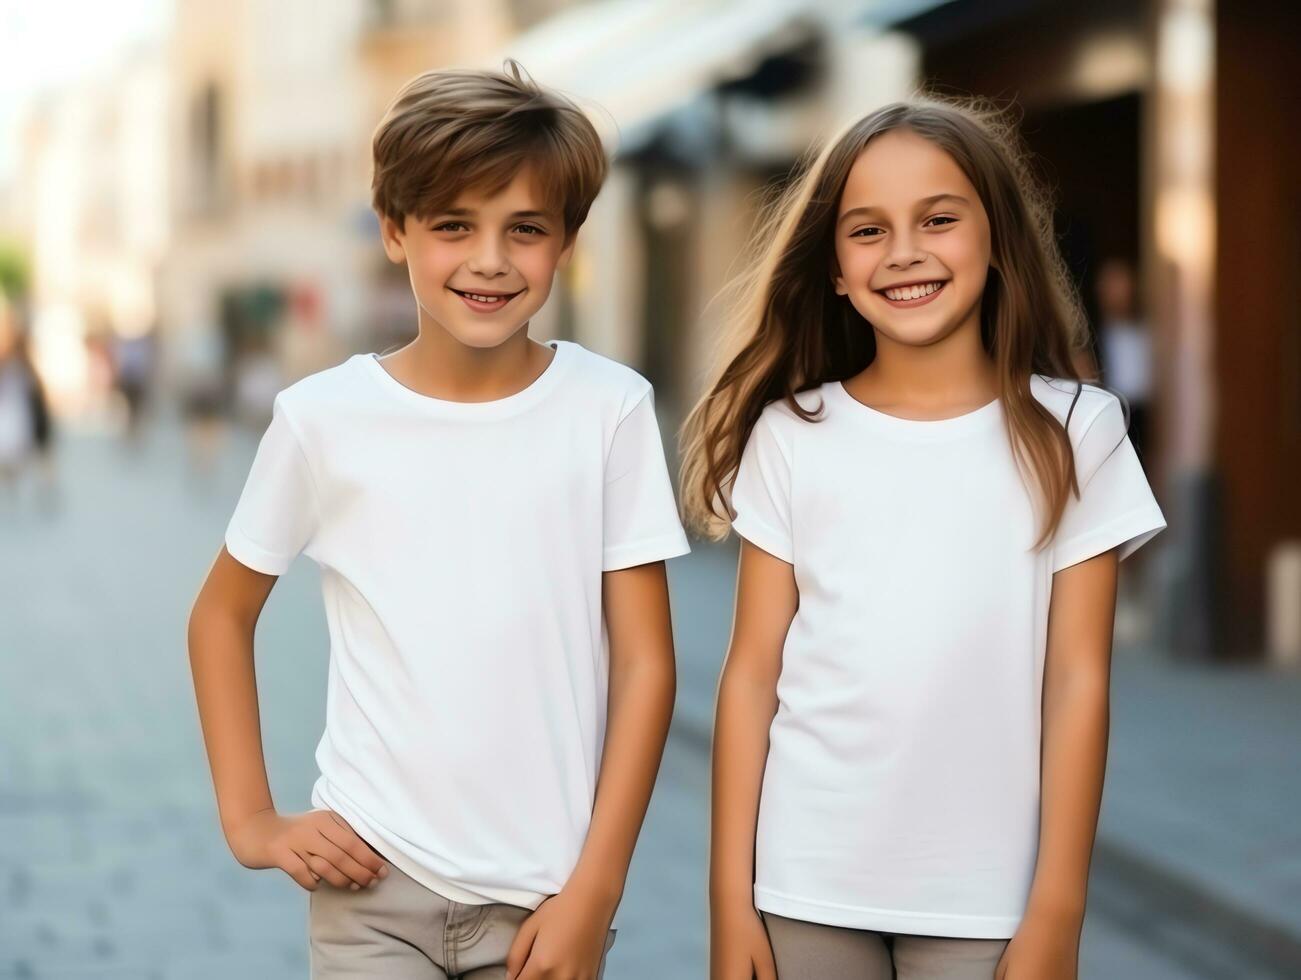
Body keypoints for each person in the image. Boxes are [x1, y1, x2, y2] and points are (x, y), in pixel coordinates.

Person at [188, 61, 690, 980]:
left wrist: (596, 889)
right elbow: (221, 614)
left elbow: (649, 661)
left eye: (524, 229)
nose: (489, 259)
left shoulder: (609, 410)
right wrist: (250, 819)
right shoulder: (321, 419)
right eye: (453, 225)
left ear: (566, 242)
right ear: (394, 231)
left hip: (545, 900)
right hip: (369, 887)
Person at [680, 98, 1166, 979]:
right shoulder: (793, 434)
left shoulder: (1077, 431)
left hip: (988, 893)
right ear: (832, 267)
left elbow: (1077, 680)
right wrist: (729, 902)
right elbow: (751, 675)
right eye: (867, 230)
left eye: (937, 219)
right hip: (803, 881)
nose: (904, 251)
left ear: (997, 238)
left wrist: (1058, 909)